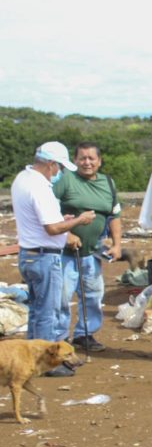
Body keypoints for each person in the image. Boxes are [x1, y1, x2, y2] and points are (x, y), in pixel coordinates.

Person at [11, 142, 95, 377]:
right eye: (58, 167)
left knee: (36, 310)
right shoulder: (40, 187)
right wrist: (79, 220)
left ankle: (30, 357)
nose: (59, 172)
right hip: (44, 256)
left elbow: (44, 219)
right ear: (50, 164)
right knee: (48, 311)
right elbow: (53, 228)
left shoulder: (22, 179)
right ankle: (49, 364)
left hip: (28, 253)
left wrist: (63, 218)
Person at [53, 142, 122, 354]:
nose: (87, 162)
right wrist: (67, 233)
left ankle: (85, 334)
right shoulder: (66, 180)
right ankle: (60, 339)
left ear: (99, 161)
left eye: (92, 158)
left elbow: (114, 215)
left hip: (92, 252)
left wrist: (117, 244)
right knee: (62, 298)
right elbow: (48, 209)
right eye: (82, 158)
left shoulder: (108, 182)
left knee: (92, 295)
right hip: (65, 253)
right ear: (74, 161)